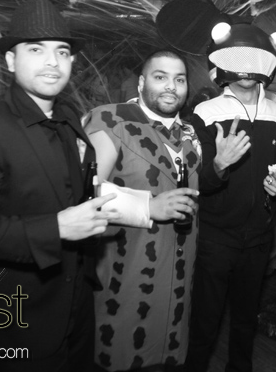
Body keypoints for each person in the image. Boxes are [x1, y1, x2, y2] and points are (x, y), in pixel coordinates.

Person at [0, 0, 117, 371]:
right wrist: (55, 228)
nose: (52, 62)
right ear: (11, 61)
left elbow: (68, 192)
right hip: (18, 324)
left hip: (77, 312)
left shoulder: (67, 116)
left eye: (61, 52)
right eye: (36, 50)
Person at [84, 49, 200, 371]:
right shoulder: (112, 120)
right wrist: (148, 206)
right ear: (140, 82)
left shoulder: (190, 136)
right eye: (160, 77)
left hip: (177, 286)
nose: (171, 86)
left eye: (179, 79)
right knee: (120, 355)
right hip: (124, 277)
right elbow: (85, 192)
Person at [185, 23, 276, 372]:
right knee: (205, 320)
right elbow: (195, 182)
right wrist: (218, 164)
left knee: (246, 321)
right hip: (215, 237)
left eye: (253, 57)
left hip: (259, 239)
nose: (246, 66)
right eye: (238, 57)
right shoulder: (204, 114)